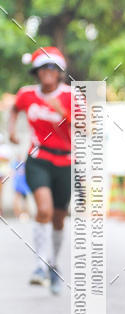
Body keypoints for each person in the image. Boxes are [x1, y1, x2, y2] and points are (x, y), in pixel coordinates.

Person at [8, 48, 74, 295]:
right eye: (43, 68)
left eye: (52, 68)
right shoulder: (26, 94)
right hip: (38, 158)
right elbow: (15, 109)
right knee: (43, 210)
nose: (47, 73)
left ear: (59, 73)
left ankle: (53, 264)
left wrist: (62, 112)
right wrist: (12, 130)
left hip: (65, 161)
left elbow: (88, 126)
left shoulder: (70, 96)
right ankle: (39, 266)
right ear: (36, 72)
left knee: (58, 218)